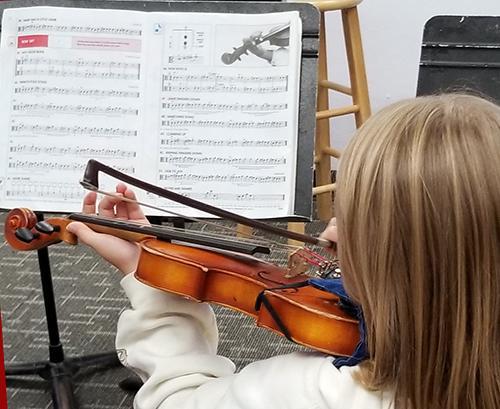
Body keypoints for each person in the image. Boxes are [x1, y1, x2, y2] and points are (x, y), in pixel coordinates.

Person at [66, 93, 500, 409]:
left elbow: (176, 400)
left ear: (394, 258)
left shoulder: (308, 391)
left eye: (349, 218)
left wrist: (160, 290)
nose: (329, 233)